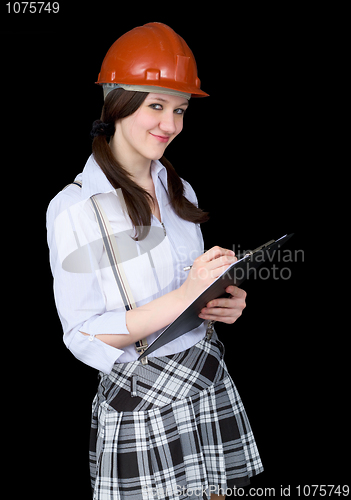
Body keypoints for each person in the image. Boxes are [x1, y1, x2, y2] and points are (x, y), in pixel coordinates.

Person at [46, 22, 263, 500]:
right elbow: (82, 334)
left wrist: (220, 301)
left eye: (180, 109)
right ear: (117, 104)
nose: (171, 125)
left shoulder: (179, 189)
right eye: (156, 106)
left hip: (205, 378)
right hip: (143, 400)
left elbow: (188, 295)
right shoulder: (76, 208)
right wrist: (186, 294)